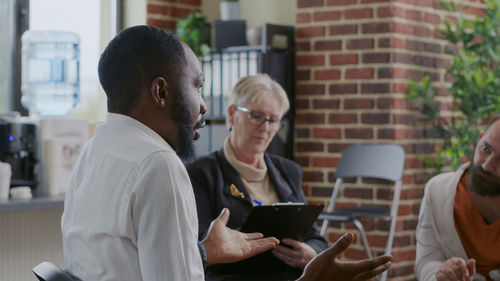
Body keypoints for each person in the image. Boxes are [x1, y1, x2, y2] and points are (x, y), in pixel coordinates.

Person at [61, 25, 392, 281]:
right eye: (197, 85)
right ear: (161, 91)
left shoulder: (93, 151)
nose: (204, 105)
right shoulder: (158, 164)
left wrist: (204, 252)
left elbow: (137, 260)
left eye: (274, 120)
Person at [187, 74, 328, 281]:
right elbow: (199, 245)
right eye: (256, 115)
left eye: (273, 120)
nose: (265, 126)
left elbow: (315, 238)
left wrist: (310, 254)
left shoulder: (289, 171)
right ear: (232, 114)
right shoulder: (201, 173)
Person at [415, 116, 500, 281]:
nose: (487, 165)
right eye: (485, 148)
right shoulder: (437, 191)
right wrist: (439, 275)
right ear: (479, 137)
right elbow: (426, 261)